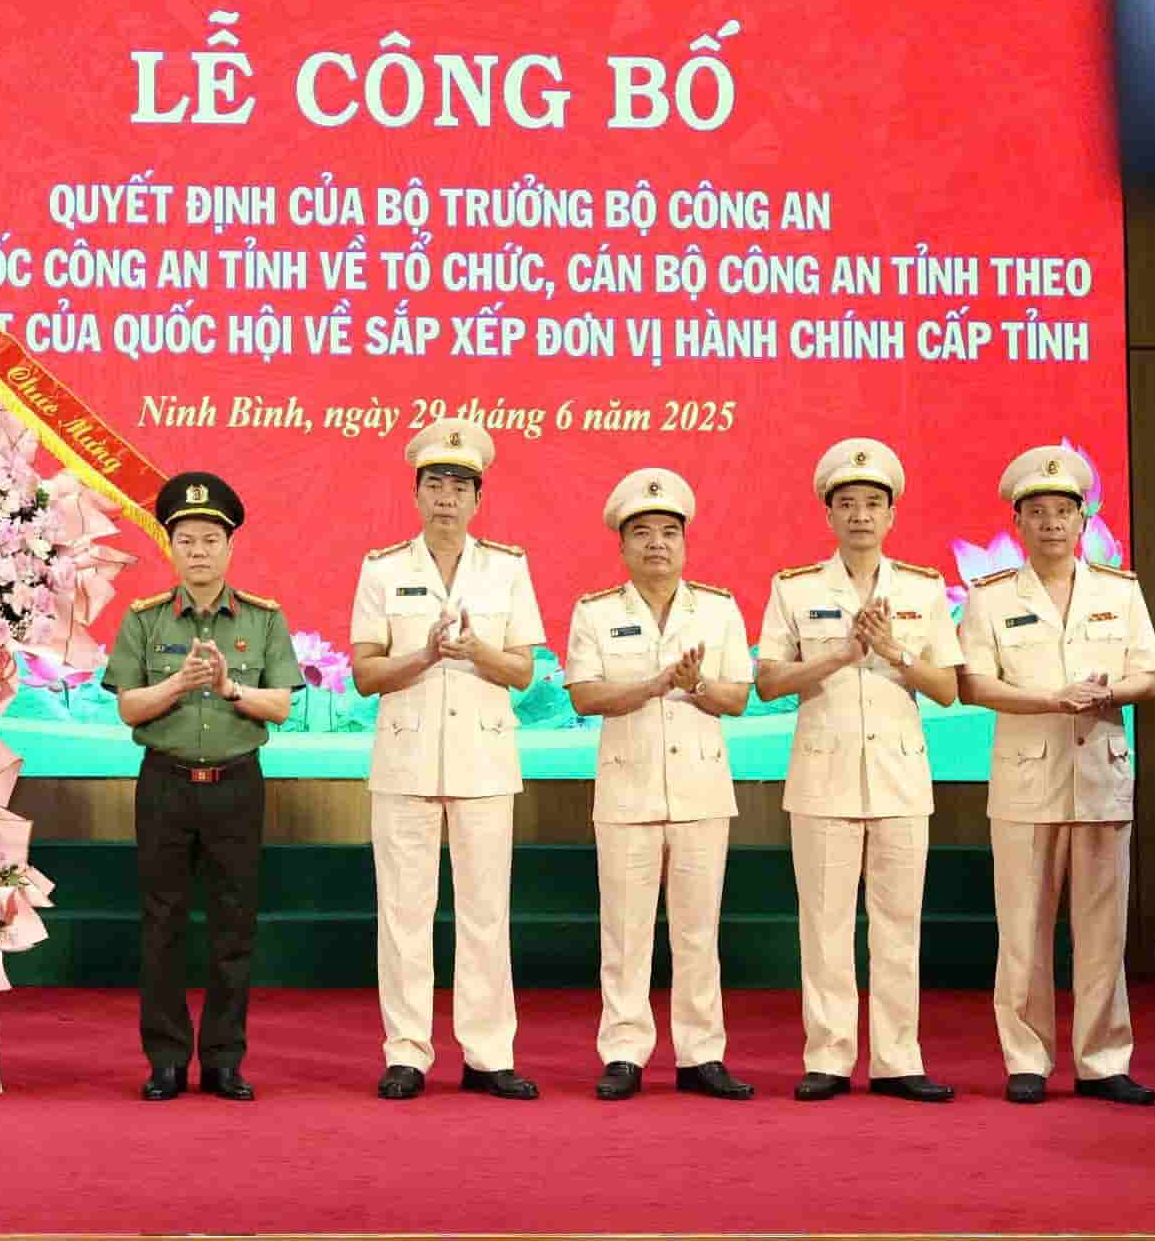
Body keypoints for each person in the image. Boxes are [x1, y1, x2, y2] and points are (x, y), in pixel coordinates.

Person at [755, 438, 962, 1103]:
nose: (861, 515)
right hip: (822, 776)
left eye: (874, 503)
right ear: (829, 514)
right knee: (826, 924)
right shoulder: (795, 588)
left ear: (892, 513)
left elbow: (948, 687)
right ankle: (830, 1056)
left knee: (901, 924)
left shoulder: (925, 590)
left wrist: (892, 649)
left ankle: (900, 1058)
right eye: (848, 504)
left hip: (900, 778)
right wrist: (844, 652)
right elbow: (768, 680)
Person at [959, 445, 1155, 1106]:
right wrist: (1051, 699)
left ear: (1083, 520)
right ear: (1017, 523)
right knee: (1022, 928)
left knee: (1104, 930)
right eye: (1037, 513)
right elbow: (974, 684)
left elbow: (1148, 675)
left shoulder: (1119, 590)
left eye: (1064, 512)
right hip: (1026, 782)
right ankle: (1027, 1056)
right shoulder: (990, 598)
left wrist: (1110, 695)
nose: (1051, 523)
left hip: (1100, 776)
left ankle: (1104, 1059)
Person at [351, 419, 546, 1102]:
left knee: (486, 910)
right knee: (404, 910)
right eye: (434, 483)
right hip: (404, 759)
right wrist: (427, 654)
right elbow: (365, 674)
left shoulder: (508, 567)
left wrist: (474, 654)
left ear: (477, 499)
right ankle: (406, 1050)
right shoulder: (383, 568)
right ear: (416, 493)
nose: (445, 496)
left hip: (485, 759)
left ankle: (489, 1052)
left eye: (459, 485)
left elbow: (522, 669)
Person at [102, 472, 298, 1102]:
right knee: (160, 924)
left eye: (211, 539)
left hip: (237, 786)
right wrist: (179, 685)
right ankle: (164, 1060)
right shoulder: (144, 620)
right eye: (186, 539)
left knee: (233, 926)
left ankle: (223, 1060)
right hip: (165, 783)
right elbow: (131, 707)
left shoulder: (264, 619)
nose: (199, 550)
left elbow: (280, 707)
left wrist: (230, 687)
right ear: (172, 547)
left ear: (229, 546)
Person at [564, 469, 754, 1102]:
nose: (656, 545)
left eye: (668, 533)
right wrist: (649, 685)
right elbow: (586, 694)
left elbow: (737, 698)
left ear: (685, 543)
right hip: (627, 790)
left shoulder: (719, 609)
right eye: (641, 534)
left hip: (701, 790)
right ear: (621, 547)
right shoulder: (595, 612)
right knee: (625, 930)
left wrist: (694, 685)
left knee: (699, 930)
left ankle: (702, 1054)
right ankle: (623, 1051)